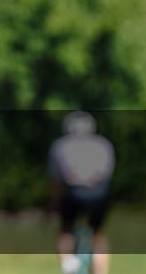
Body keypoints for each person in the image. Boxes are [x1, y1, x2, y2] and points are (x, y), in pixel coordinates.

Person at [49, 111, 115, 274]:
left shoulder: (60, 145)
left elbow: (56, 181)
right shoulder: (104, 144)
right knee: (98, 234)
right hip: (99, 195)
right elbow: (106, 175)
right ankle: (101, 271)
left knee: (66, 231)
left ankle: (69, 266)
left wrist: (53, 204)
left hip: (73, 195)